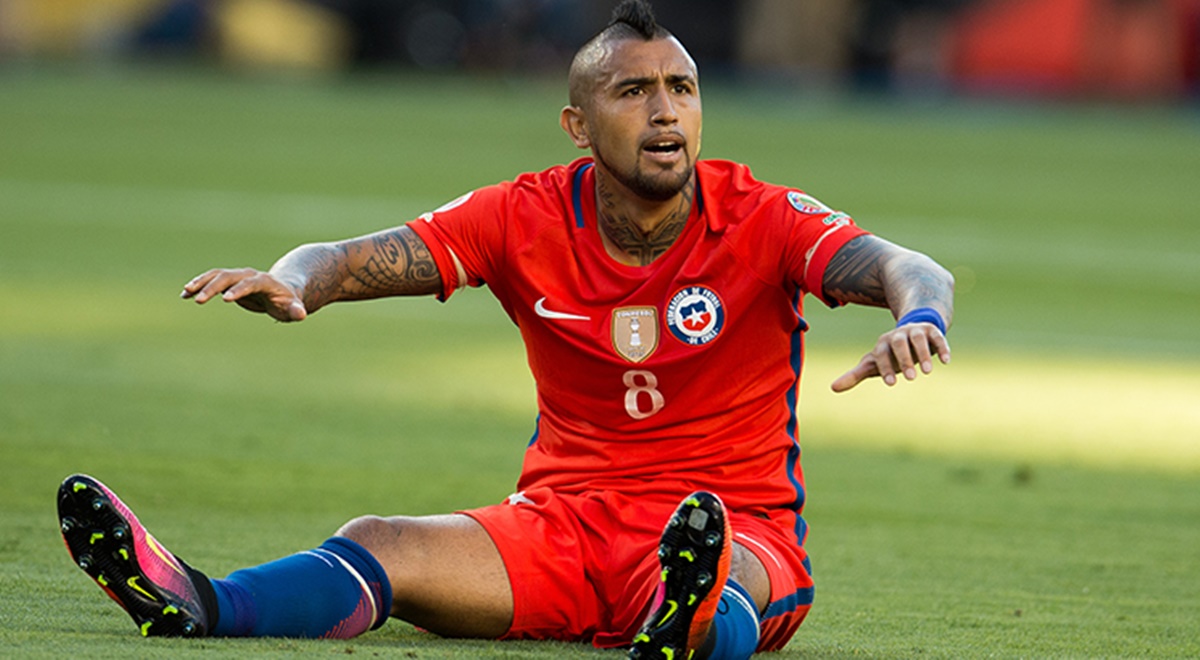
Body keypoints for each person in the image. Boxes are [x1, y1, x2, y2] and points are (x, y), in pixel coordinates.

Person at [56, 1, 954, 658]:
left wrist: (917, 316)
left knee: (719, 572)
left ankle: (689, 623)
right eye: (633, 90)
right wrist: (292, 284)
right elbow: (349, 256)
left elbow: (911, 267)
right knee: (383, 543)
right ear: (578, 123)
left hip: (737, 524)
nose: (665, 111)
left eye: (681, 87)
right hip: (564, 528)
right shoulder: (519, 216)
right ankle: (197, 605)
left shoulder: (762, 217)